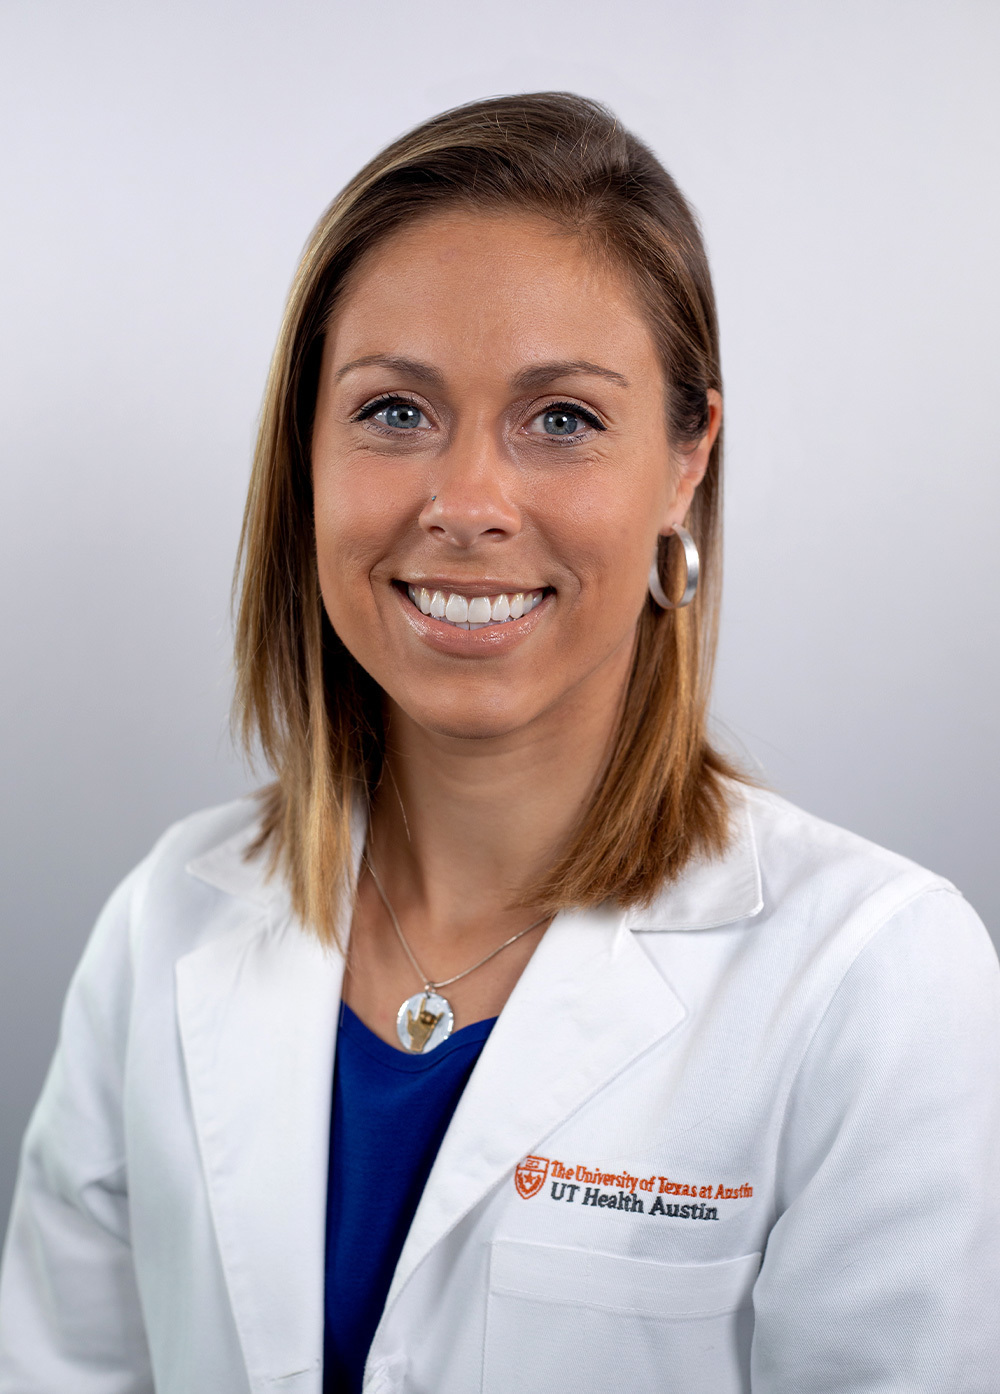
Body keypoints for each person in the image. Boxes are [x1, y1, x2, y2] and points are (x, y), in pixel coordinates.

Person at [0, 91, 997, 1394]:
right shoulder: (162, 929)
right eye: (395, 411)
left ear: (687, 458)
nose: (466, 502)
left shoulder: (878, 981)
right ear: (305, 448)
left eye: (564, 419)